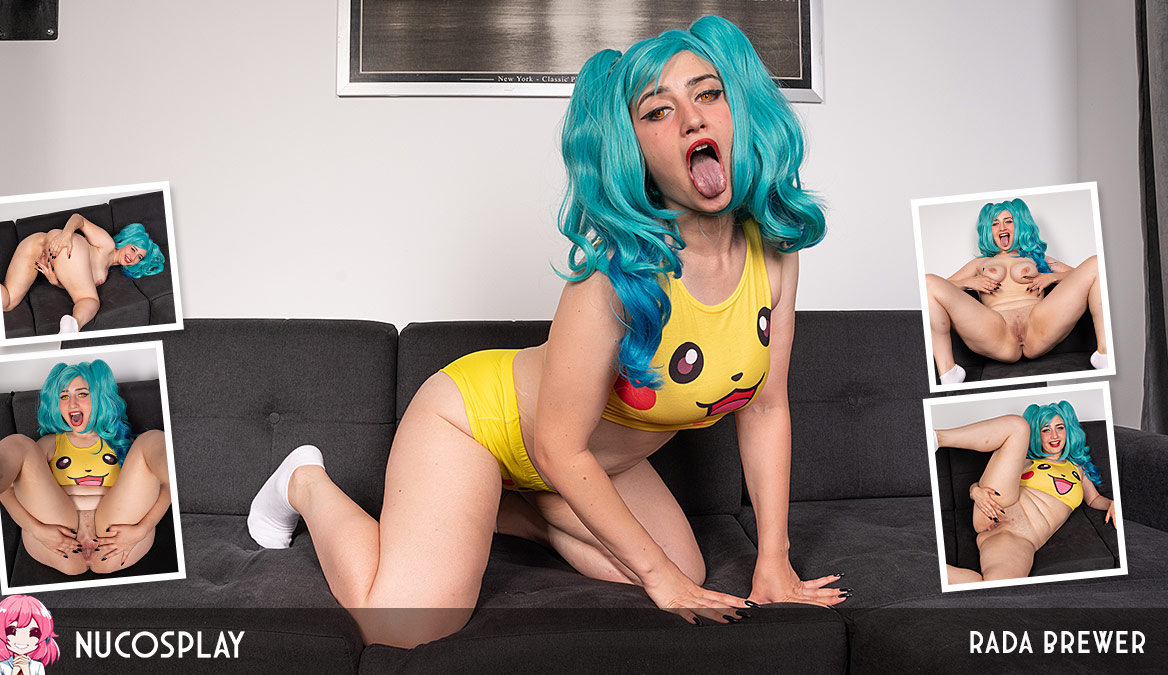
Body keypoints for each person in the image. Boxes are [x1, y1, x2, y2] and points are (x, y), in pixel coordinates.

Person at [247, 16, 846, 649]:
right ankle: (304, 483)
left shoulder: (772, 254)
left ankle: (512, 510)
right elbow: (559, 446)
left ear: (737, 110)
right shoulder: (614, 276)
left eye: (707, 94)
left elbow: (765, 407)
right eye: (658, 111)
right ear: (634, 150)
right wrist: (657, 578)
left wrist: (773, 561)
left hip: (588, 461)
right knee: (406, 625)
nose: (692, 119)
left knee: (686, 569)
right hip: (478, 426)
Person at [0, 360, 172, 575]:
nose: (72, 403)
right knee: (19, 443)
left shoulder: (124, 444)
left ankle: (182, 468)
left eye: (82, 394)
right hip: (58, 536)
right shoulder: (50, 443)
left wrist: (142, 529)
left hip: (115, 539)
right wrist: (37, 531)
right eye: (64, 396)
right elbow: (10, 489)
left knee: (151, 439)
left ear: (99, 398)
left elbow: (165, 486)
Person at [924, 198, 1107, 384]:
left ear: (1018, 225)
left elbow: (1082, 274)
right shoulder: (979, 263)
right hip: (997, 331)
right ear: (989, 231)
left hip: (1038, 325)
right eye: (995, 223)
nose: (1002, 227)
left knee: (1096, 263)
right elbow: (939, 288)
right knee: (928, 281)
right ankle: (949, 373)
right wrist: (969, 282)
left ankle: (1104, 354)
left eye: (1008, 221)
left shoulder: (1036, 257)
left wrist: (1052, 277)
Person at [940, 401, 1116, 584]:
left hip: (1020, 538)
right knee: (1018, 426)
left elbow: (1094, 499)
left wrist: (1112, 504)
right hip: (995, 507)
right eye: (1046, 429)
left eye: (1060, 427)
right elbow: (988, 482)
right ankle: (937, 438)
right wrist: (975, 492)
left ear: (1068, 431)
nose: (1054, 435)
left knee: (999, 587)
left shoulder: (1078, 469)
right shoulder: (1025, 461)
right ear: (1037, 435)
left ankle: (933, 569)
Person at [0, 214, 165, 333]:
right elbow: (79, 219)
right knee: (90, 300)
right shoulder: (107, 244)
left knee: (8, 303)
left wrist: (55, 281)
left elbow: (73, 277)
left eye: (139, 257)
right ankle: (73, 326)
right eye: (133, 249)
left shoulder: (106, 270)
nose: (132, 257)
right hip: (66, 245)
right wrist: (66, 235)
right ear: (126, 241)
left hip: (36, 244)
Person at [0, 595, 60, 675]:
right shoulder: (1, 666)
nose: (22, 639)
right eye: (12, 631)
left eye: (34, 632)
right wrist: (15, 671)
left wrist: (26, 670)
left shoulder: (38, 666)